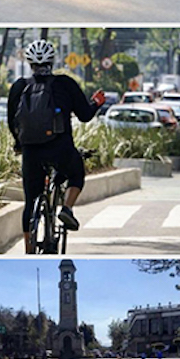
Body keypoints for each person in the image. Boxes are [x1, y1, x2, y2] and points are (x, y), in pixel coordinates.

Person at [7, 39, 106, 252]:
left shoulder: (19, 86)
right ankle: (67, 209)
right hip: (61, 149)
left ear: (29, 62)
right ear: (52, 61)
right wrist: (96, 103)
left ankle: (29, 250)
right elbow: (85, 115)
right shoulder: (65, 84)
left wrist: (19, 143)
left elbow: (11, 121)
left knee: (30, 201)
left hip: (31, 151)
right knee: (76, 172)